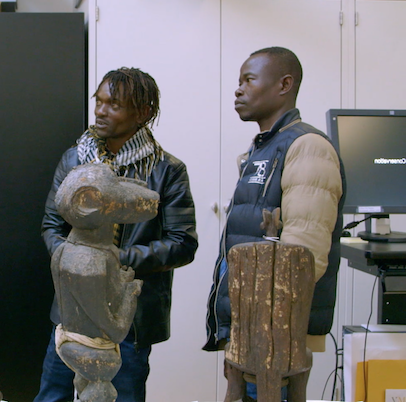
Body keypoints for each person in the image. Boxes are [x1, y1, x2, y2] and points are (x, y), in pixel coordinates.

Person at [35, 67, 198, 402]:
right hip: (72, 311)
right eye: (99, 100)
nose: (100, 110)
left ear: (143, 113)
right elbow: (51, 225)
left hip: (130, 319)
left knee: (122, 397)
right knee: (53, 395)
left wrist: (111, 263)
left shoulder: (167, 170)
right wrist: (74, 259)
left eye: (114, 104)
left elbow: (182, 244)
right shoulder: (75, 161)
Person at [203, 47, 346, 400]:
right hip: (253, 331)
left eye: (249, 80)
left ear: (284, 84)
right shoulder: (263, 149)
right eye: (238, 81)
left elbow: (301, 260)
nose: (238, 89)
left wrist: (263, 334)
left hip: (275, 337)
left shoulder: (307, 147)